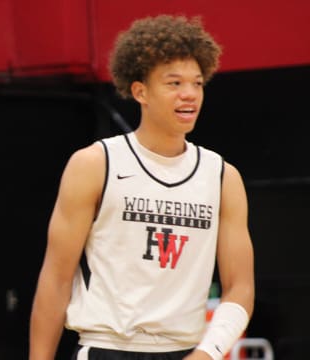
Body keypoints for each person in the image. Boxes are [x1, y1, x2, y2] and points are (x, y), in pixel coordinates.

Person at [29, 15, 254, 360]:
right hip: (109, 348)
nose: (189, 94)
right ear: (140, 91)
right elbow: (56, 279)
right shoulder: (95, 164)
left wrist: (208, 352)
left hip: (187, 350)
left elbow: (240, 287)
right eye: (174, 83)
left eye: (197, 83)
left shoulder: (222, 177)